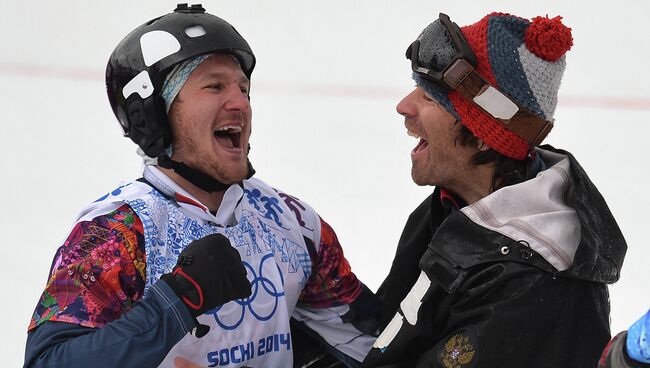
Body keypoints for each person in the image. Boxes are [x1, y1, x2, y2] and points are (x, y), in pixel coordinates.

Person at [24, 4, 378, 367]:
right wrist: (177, 301)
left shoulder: (292, 222)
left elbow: (373, 346)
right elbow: (49, 361)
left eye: (243, 88)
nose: (241, 102)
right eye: (214, 86)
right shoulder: (117, 234)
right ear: (153, 115)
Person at [360, 11, 627, 368]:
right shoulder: (447, 209)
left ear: (485, 137)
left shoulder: (529, 291)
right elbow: (389, 332)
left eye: (431, 98)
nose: (403, 106)